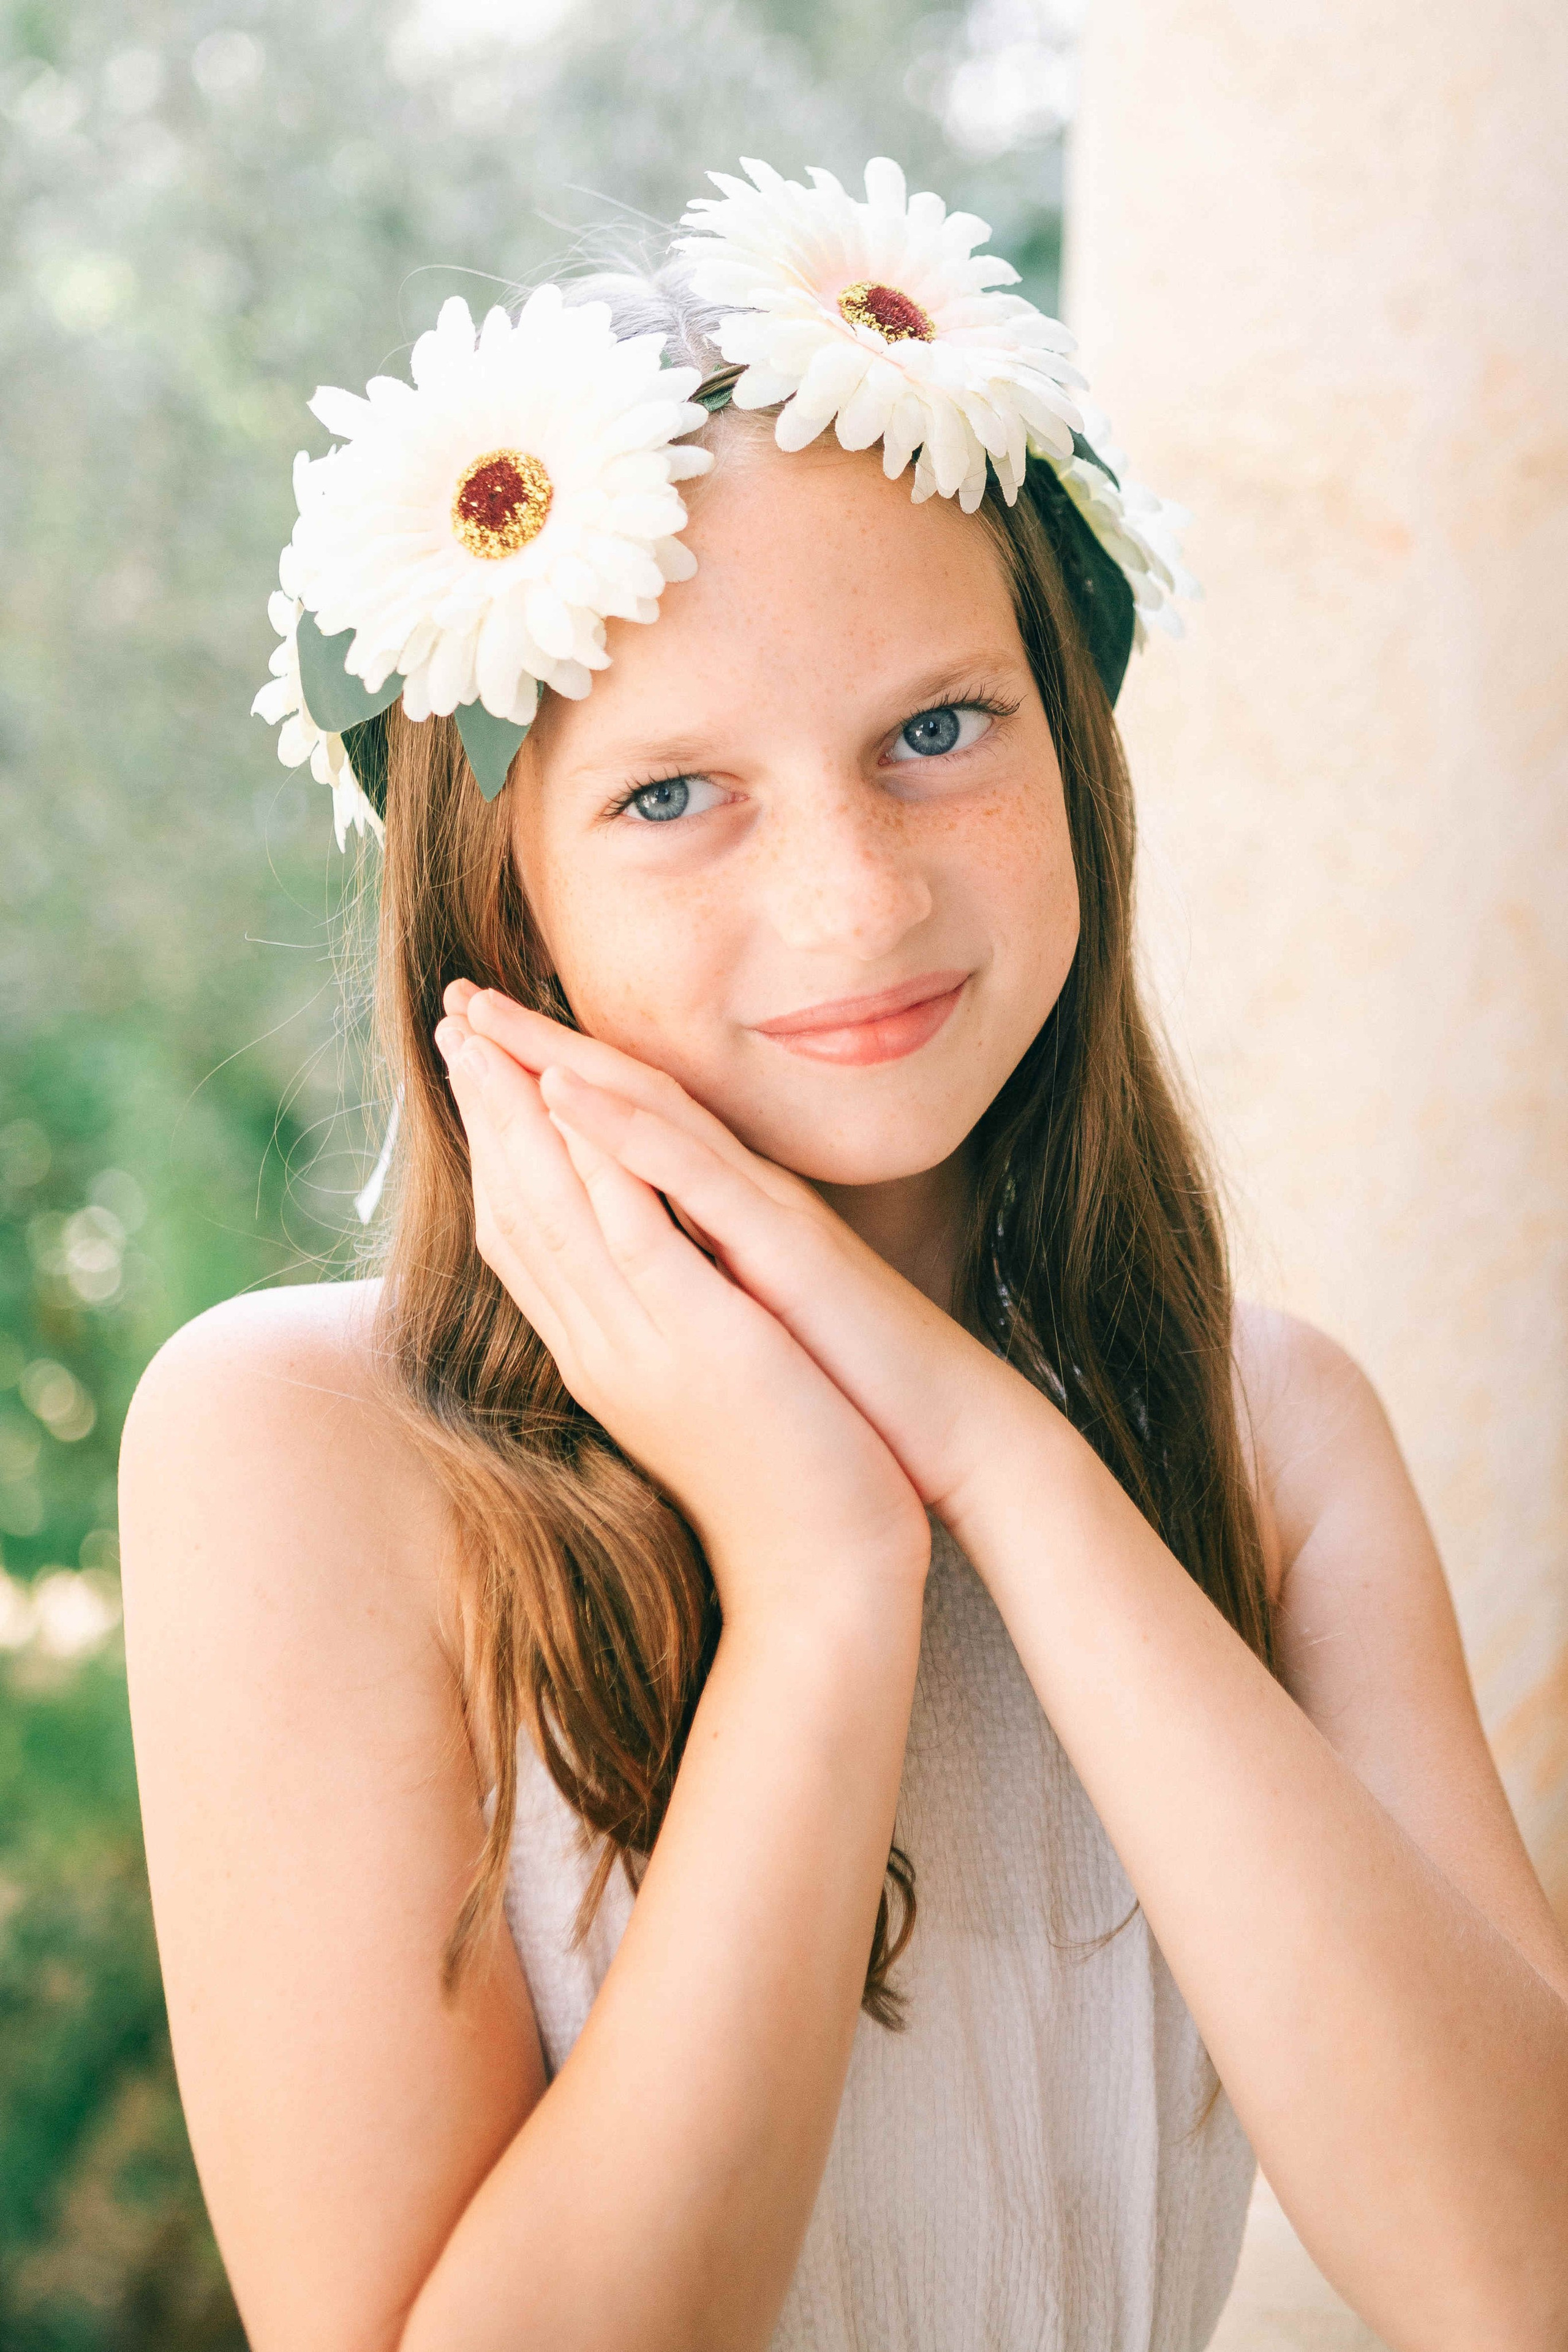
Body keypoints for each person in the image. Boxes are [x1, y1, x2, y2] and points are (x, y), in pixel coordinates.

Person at [119, 158, 1568, 2352]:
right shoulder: (308, 1445)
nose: (855, 901)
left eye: (936, 732)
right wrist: (818, 1578)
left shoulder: (1270, 1434)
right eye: (672, 795)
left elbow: (1516, 2272)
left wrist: (999, 1460)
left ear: (1074, 754)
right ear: (497, 905)